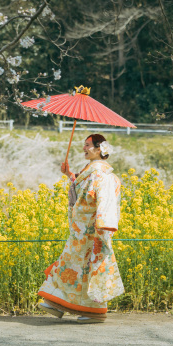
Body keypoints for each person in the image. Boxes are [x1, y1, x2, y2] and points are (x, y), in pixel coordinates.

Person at [36, 133, 124, 324]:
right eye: (84, 145)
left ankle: (94, 310)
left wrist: (103, 225)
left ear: (99, 149)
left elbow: (105, 201)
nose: (84, 148)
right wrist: (69, 175)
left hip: (92, 231)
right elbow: (80, 191)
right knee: (70, 265)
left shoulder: (102, 175)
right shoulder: (92, 171)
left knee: (88, 269)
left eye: (88, 145)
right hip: (80, 230)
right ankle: (56, 301)